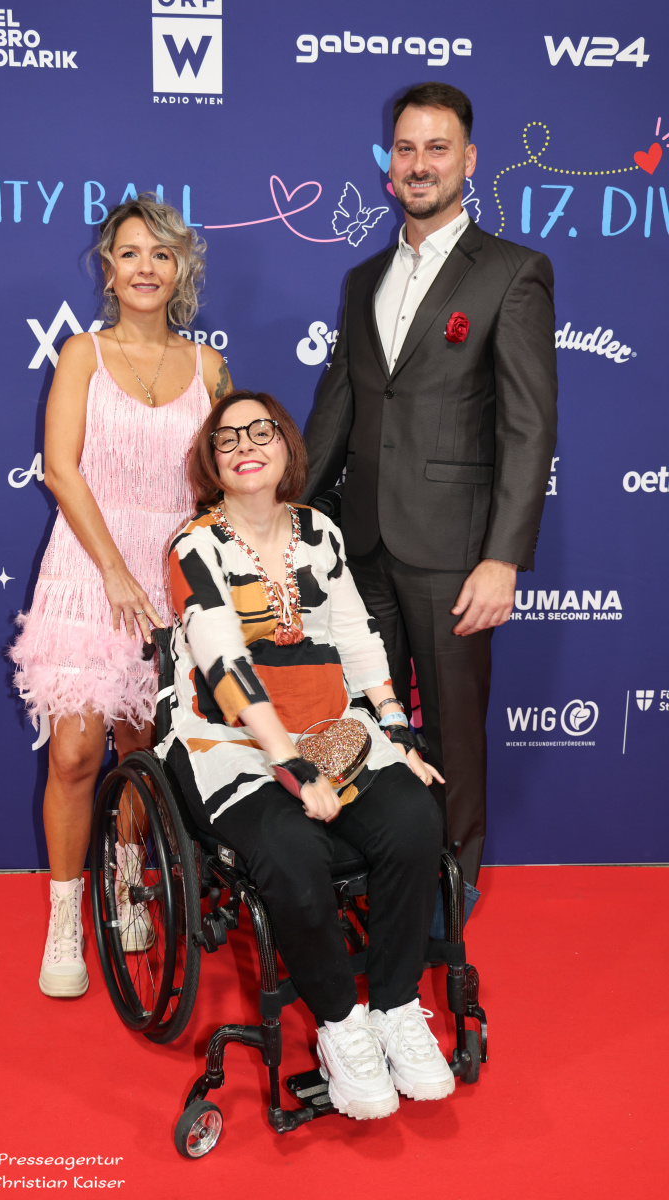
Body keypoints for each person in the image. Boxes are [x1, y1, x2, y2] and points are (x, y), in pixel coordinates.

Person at [159, 390, 454, 1120]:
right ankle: (341, 1026)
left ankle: (394, 1007)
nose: (246, 446)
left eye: (261, 432)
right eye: (228, 439)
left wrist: (395, 728)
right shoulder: (194, 547)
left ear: (288, 446)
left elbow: (355, 634)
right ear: (211, 463)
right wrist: (288, 763)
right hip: (229, 742)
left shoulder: (319, 531)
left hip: (332, 727)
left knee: (415, 817)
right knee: (292, 851)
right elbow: (223, 663)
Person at [303, 82, 558, 886]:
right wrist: (285, 522)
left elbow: (528, 427)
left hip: (455, 554)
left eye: (437, 148)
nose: (419, 164)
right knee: (359, 722)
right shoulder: (363, 279)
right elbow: (336, 412)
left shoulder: (513, 273)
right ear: (389, 166)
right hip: (361, 547)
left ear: (469, 160)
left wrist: (502, 559)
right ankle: (377, 879)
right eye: (406, 149)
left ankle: (450, 898)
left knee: (451, 735)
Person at [10, 196, 232, 998]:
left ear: (181, 271)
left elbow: (221, 478)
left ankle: (127, 882)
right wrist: (111, 568)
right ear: (108, 270)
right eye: (130, 253)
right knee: (75, 753)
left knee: (142, 752)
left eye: (161, 254)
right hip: (89, 569)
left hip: (169, 575)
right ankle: (65, 917)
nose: (145, 267)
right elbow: (61, 469)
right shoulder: (83, 354)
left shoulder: (209, 367)